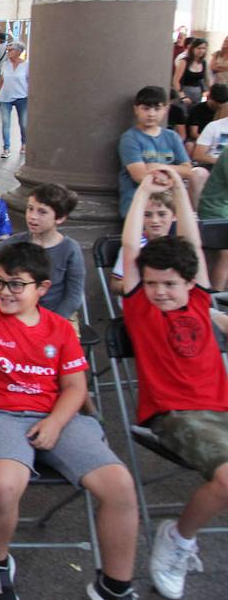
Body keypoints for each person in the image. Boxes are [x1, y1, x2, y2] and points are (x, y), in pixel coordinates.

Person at [0, 242, 139, 600]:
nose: (4, 291)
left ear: (42, 288)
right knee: (5, 484)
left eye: (16, 284)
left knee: (120, 485)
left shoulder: (60, 328)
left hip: (58, 415)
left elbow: (74, 387)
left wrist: (54, 422)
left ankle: (115, 584)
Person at [120, 165, 228, 600]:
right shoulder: (141, 308)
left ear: (190, 283)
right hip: (175, 413)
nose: (160, 291)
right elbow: (131, 246)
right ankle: (178, 541)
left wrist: (181, 191)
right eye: (152, 284)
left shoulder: (200, 298)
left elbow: (193, 239)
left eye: (170, 284)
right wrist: (145, 190)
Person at [0, 183, 86, 322]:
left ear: (60, 217)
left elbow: (73, 296)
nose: (33, 216)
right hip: (16, 315)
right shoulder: (15, 242)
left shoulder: (70, 249)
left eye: (42, 212)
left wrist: (51, 323)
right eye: (30, 209)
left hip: (55, 318)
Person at [118, 86, 207, 218]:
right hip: (139, 203)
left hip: (170, 204)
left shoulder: (172, 136)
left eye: (157, 108)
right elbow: (140, 175)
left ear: (166, 109)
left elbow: (188, 170)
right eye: (146, 108)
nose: (151, 114)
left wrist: (160, 167)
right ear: (136, 109)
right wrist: (172, 175)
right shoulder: (130, 138)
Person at [0, 41, 30, 158]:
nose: (8, 52)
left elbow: (30, 82)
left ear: (19, 52)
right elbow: (0, 81)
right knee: (5, 123)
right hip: (5, 97)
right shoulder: (5, 65)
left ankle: (24, 143)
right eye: (8, 50)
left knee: (23, 123)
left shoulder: (26, 65)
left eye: (11, 50)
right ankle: (6, 148)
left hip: (22, 97)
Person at [173, 38, 212, 103]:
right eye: (199, 48)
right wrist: (182, 96)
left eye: (203, 48)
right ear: (193, 49)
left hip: (198, 94)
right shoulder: (184, 62)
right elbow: (176, 81)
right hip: (184, 92)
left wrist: (208, 91)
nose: (201, 51)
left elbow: (207, 79)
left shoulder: (204, 63)